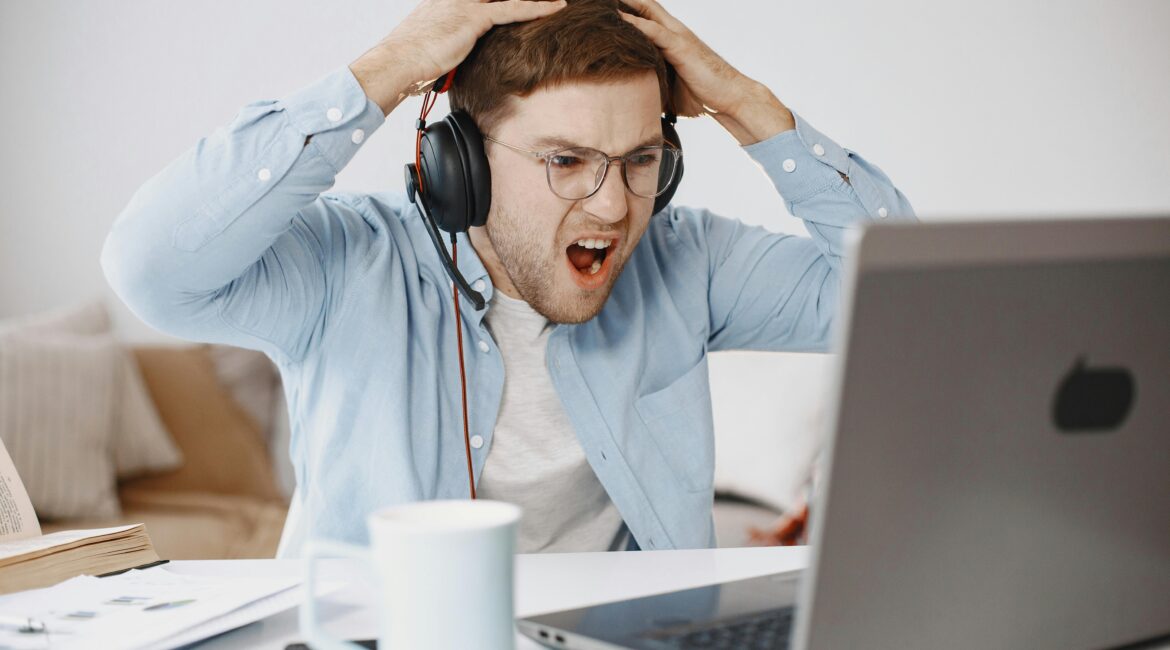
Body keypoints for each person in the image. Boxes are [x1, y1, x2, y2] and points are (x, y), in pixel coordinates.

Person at [101, 0, 915, 555]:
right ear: (461, 164)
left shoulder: (686, 260)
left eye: (640, 160)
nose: (613, 205)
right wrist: (389, 67)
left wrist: (746, 106)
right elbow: (152, 267)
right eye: (565, 161)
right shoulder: (346, 263)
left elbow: (906, 300)